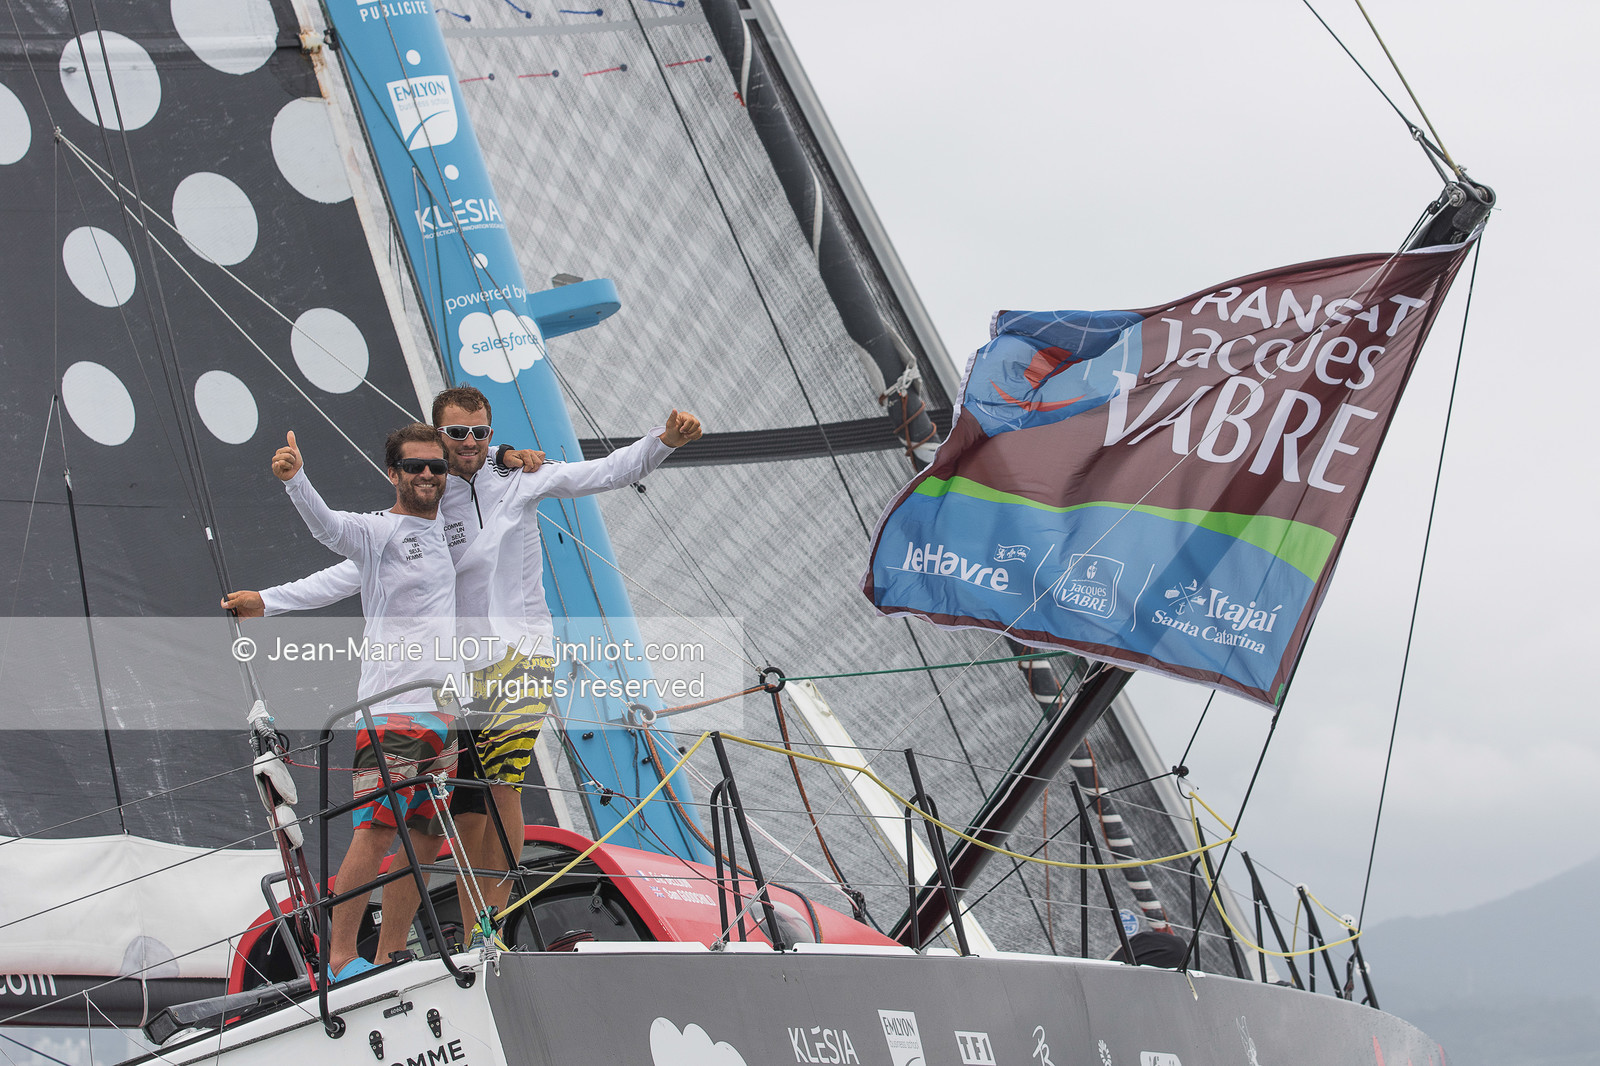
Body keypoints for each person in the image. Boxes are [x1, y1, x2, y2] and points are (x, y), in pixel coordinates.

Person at [226, 388, 703, 948]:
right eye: (457, 433)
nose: (471, 443)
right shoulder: (429, 495)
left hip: (523, 656)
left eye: (481, 432)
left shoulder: (522, 477)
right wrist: (272, 600)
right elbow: (359, 570)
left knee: (502, 788)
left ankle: (487, 925)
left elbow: (603, 472)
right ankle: (427, 937)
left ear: (490, 431)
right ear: (438, 437)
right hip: (456, 675)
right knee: (464, 802)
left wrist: (662, 442)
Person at [268, 423, 459, 983]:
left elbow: (329, 584)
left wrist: (514, 457)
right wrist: (297, 480)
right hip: (392, 708)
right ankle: (339, 959)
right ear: (394, 473)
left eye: (437, 466)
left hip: (444, 712)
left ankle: (391, 953)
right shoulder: (377, 531)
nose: (427, 474)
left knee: (424, 836)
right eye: (415, 466)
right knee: (375, 831)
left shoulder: (450, 528)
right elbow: (329, 532)